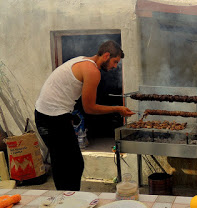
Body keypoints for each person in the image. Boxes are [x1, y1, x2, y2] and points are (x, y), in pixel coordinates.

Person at [35, 40, 134, 191]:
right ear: (106, 55)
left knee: (66, 162)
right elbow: (90, 108)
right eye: (115, 62)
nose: (115, 66)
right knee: (70, 164)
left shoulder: (82, 60)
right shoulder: (92, 71)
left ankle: (68, 199)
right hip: (52, 117)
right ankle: (68, 201)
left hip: (47, 114)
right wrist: (117, 109)